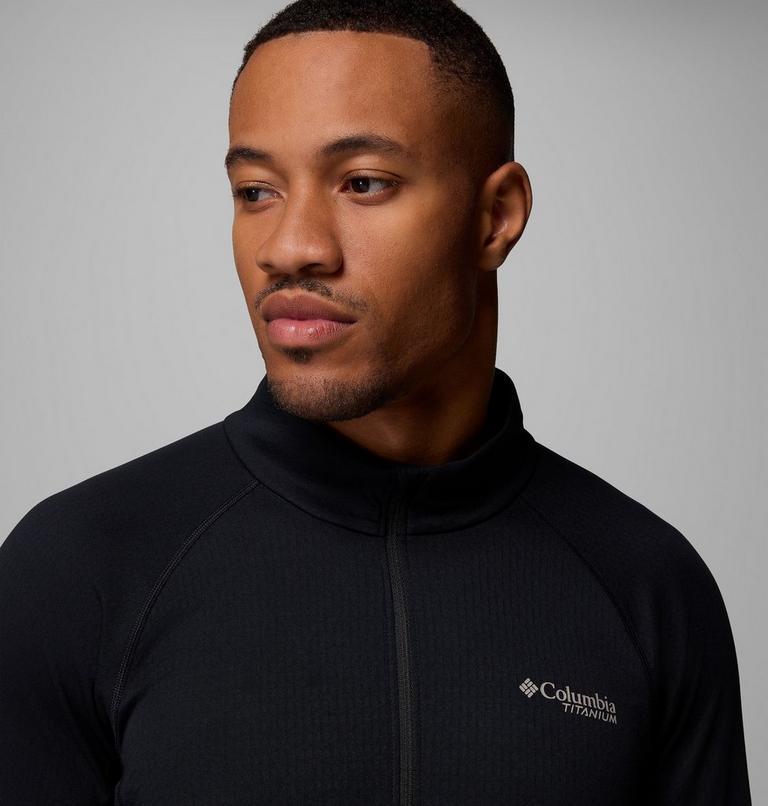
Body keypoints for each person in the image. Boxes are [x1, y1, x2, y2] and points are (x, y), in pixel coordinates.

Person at [0, 1, 752, 803]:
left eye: (363, 183)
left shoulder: (647, 586)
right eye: (256, 191)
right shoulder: (78, 572)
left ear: (496, 217)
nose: (291, 247)